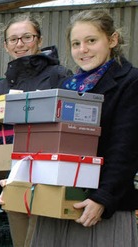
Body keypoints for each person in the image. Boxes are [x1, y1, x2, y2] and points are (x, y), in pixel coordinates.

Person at [29, 9, 138, 247]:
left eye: (91, 41)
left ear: (112, 40)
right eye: (76, 43)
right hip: (57, 201)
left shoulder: (130, 82)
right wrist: (22, 182)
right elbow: (44, 141)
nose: (83, 49)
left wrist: (103, 198)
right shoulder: (66, 85)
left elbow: (126, 148)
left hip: (100, 207)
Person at [0, 13, 72, 247]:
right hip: (13, 176)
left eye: (27, 37)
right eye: (14, 39)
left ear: (39, 40)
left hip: (51, 174)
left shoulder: (60, 75)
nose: (20, 44)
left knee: (49, 238)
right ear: (5, 45)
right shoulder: (0, 88)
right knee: (22, 239)